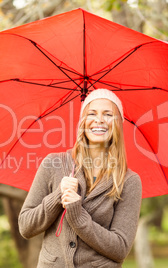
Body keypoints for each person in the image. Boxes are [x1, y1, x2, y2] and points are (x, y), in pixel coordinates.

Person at [18, 89, 142, 267]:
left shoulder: (129, 181)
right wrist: (57, 196)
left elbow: (120, 248)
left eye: (108, 114)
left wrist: (79, 217)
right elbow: (25, 226)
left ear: (118, 125)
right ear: (83, 122)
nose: (99, 119)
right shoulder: (53, 164)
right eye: (92, 113)